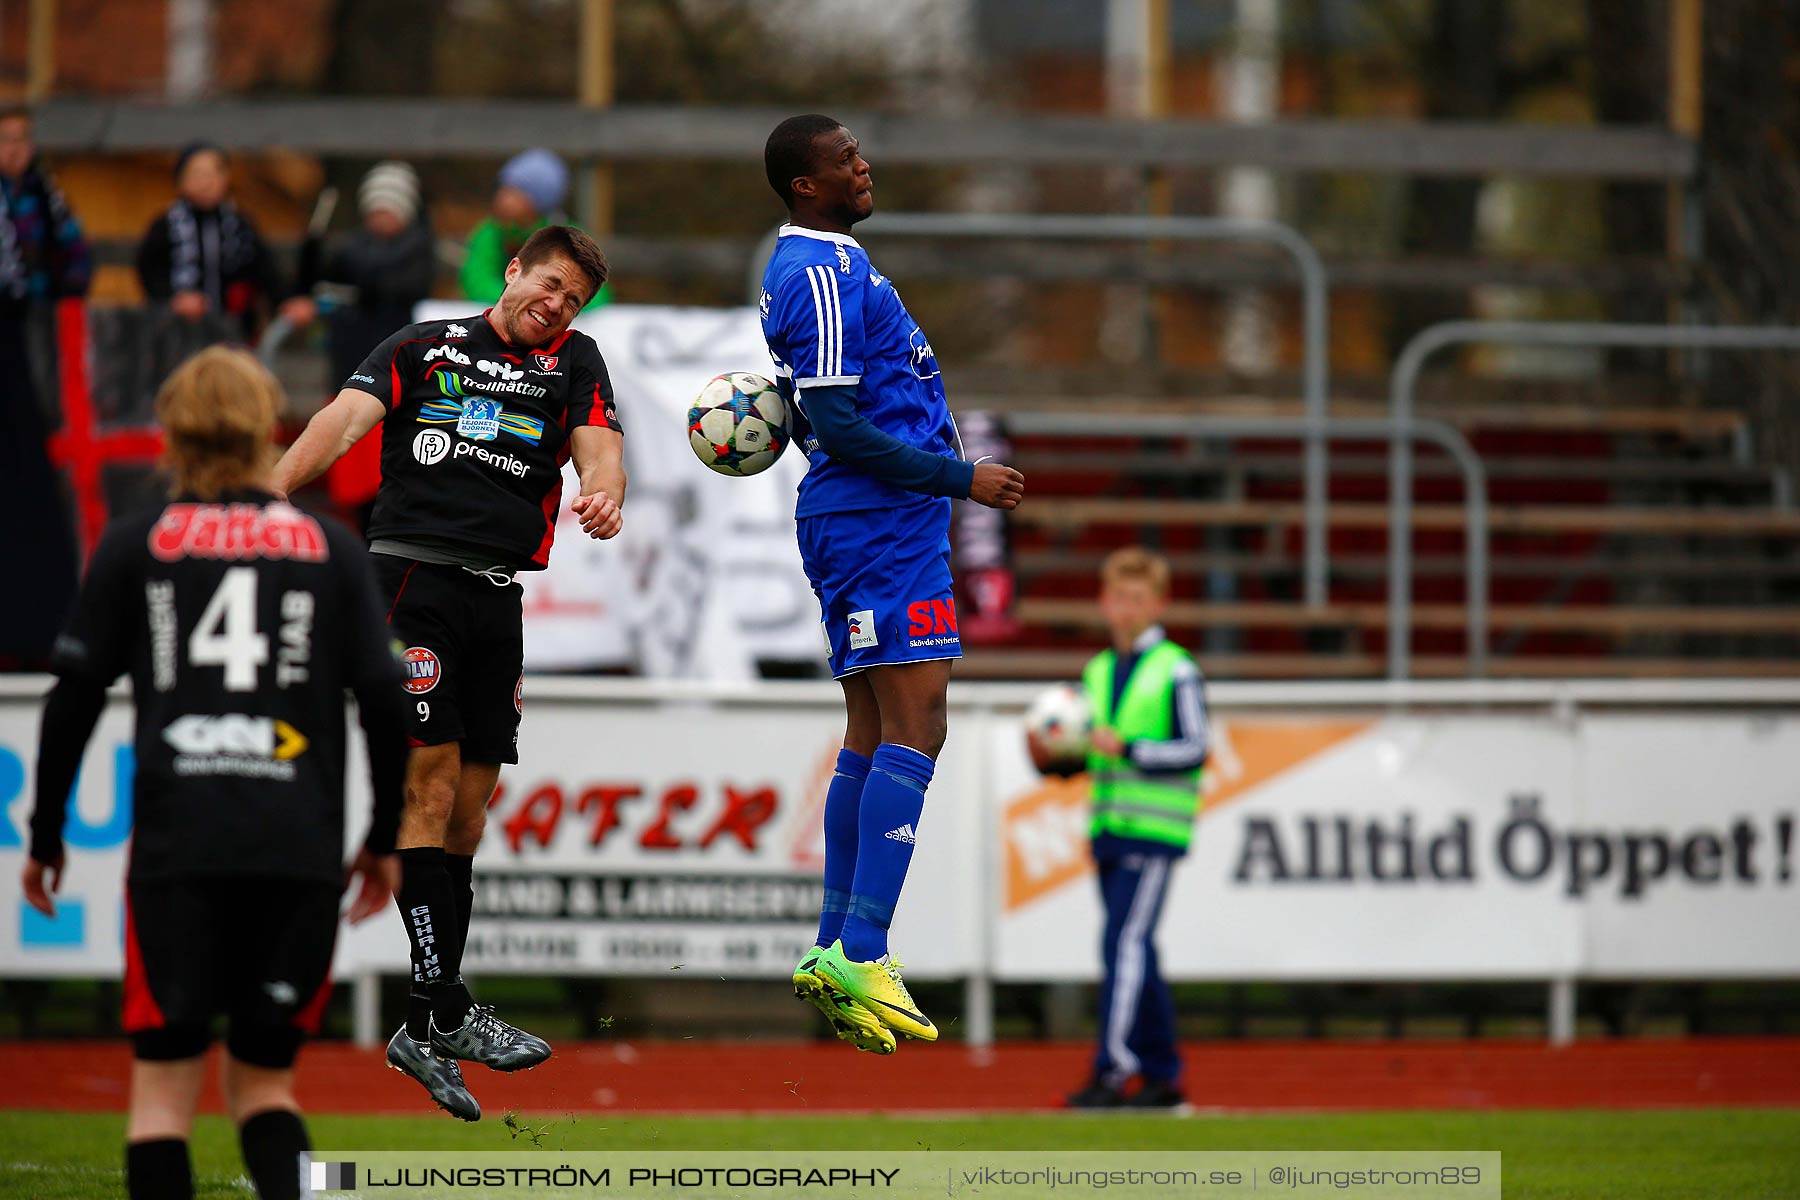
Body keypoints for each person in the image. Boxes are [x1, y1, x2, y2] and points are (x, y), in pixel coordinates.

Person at [20, 346, 409, 1200]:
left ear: (172, 432)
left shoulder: (138, 544)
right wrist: (384, 838)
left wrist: (45, 833)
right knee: (265, 1086)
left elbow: (74, 695)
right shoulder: (330, 549)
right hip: (296, 848)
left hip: (177, 848)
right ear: (264, 425)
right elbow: (386, 701)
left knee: (163, 1090)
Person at [270, 224, 624, 1119]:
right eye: (547, 285)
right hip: (410, 583)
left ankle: (425, 1026)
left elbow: (597, 444)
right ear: (512, 271)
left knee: (471, 807)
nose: (555, 306)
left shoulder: (577, 361)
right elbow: (340, 423)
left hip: (497, 599)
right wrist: (266, 496)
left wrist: (606, 489)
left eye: (572, 299)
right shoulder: (423, 347)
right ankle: (444, 1009)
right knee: (426, 785)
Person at [760, 114, 1026, 1054]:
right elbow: (835, 423)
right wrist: (962, 478)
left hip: (868, 524)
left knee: (873, 730)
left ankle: (836, 942)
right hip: (877, 523)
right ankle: (864, 946)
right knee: (920, 722)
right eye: (845, 161)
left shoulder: (814, 264)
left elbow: (814, 408)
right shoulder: (822, 271)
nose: (865, 167)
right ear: (807, 185)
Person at [1035, 547, 1209, 1110]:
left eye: (1138, 598)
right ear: (1103, 601)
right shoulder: (1097, 670)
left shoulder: (1177, 669)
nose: (1125, 608)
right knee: (1137, 950)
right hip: (1109, 825)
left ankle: (1113, 1070)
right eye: (1118, 597)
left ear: (1160, 604)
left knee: (1123, 944)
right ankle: (1161, 1076)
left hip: (1155, 831)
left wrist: (1130, 749)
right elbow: (1091, 748)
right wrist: (1059, 757)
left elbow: (1196, 747)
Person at [282, 160, 438, 526]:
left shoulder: (416, 252)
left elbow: (396, 287)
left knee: (387, 469)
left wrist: (352, 292)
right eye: (376, 209)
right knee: (352, 470)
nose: (381, 218)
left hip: (397, 382)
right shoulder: (350, 250)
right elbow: (315, 284)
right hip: (349, 371)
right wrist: (311, 257)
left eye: (389, 209)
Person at [0, 103, 88, 668]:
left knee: (30, 481)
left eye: (21, 140)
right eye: (6, 140)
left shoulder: (44, 197)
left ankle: (39, 626)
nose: (15, 150)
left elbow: (75, 262)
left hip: (24, 337)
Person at [135, 141, 283, 343]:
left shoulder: (239, 225)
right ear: (181, 180)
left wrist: (285, 300)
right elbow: (149, 269)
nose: (206, 182)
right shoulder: (166, 225)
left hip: (235, 327)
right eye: (197, 174)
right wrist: (173, 298)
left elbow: (265, 269)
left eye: (214, 173)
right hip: (181, 329)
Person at [459, 149, 606, 308]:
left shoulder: (566, 239)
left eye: (515, 193)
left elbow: (597, 294)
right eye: (503, 189)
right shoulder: (490, 232)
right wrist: (528, 297)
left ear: (539, 201)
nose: (503, 199)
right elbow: (477, 283)